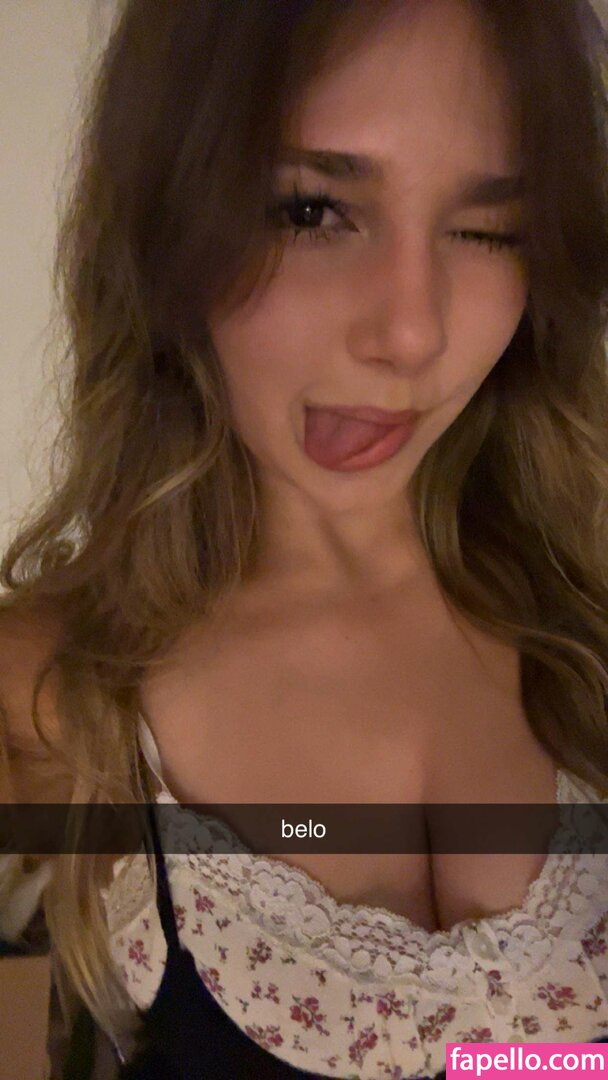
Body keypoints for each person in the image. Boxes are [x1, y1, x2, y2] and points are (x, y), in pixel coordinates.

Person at [1, 0, 608, 1076]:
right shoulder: (51, 692)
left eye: (488, 229)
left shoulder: (588, 605)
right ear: (165, 223)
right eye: (310, 211)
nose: (411, 331)